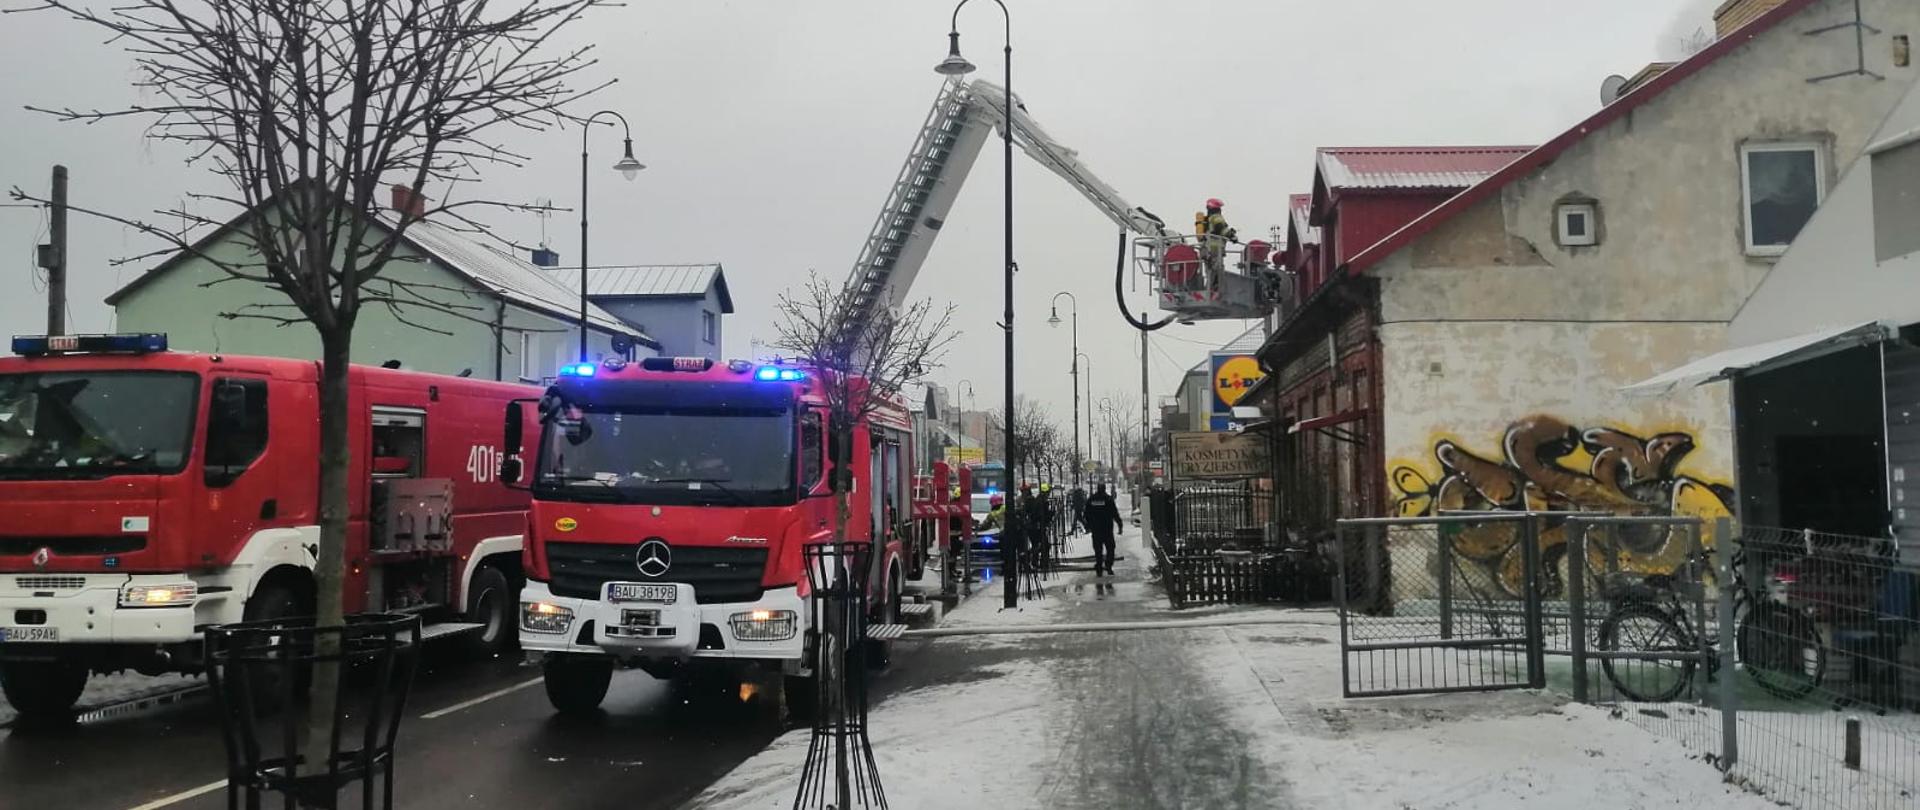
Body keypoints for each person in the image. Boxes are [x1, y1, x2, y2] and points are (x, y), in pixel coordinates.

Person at [1084, 482, 1124, 576]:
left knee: (1098, 549)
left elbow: (1086, 514)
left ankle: (1099, 566)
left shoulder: (1091, 499)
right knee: (1110, 548)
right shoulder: (1108, 499)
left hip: (1096, 529)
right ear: (1105, 488)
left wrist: (1088, 525)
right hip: (1107, 528)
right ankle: (1108, 565)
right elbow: (1115, 513)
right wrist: (1120, 525)